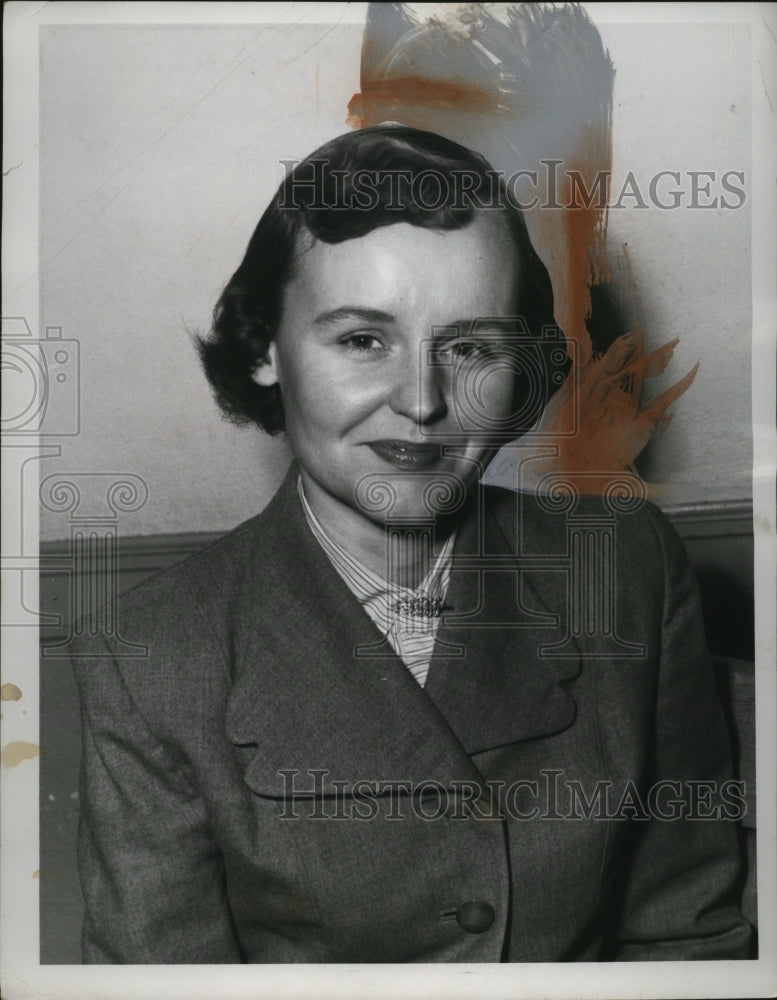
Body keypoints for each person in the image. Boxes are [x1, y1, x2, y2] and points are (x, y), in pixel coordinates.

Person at [72, 125, 751, 963]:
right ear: (263, 350)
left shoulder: (624, 567)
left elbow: (683, 936)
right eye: (362, 340)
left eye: (469, 347)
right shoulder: (149, 652)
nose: (422, 401)